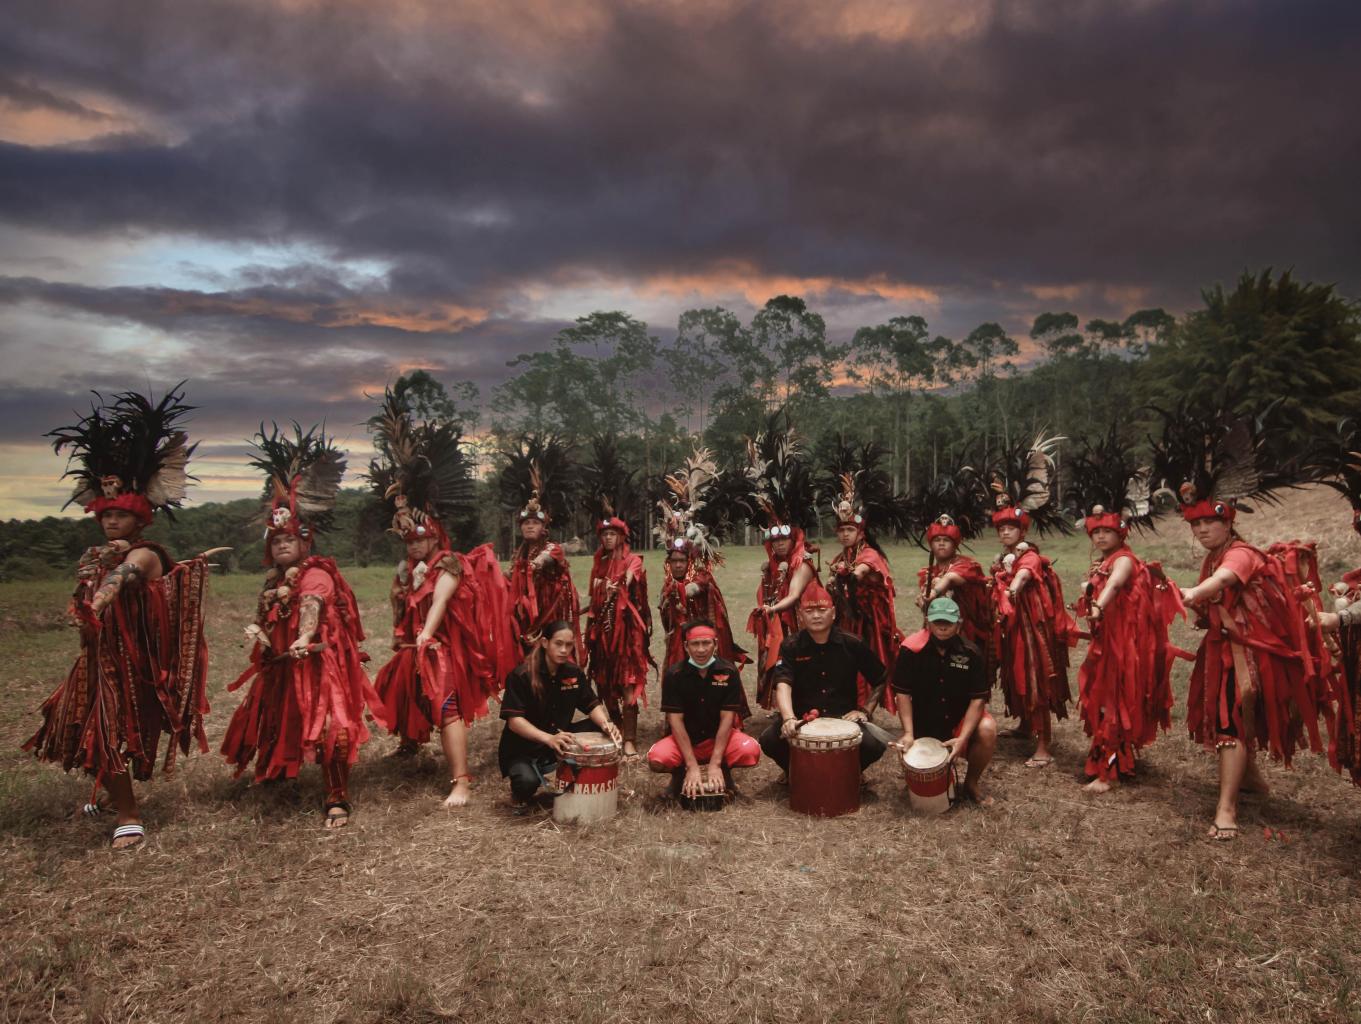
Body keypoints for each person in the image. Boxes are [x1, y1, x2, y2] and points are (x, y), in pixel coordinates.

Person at [26, 386, 212, 850]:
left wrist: (96, 604)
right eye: (105, 513)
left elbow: (121, 579)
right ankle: (114, 798)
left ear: (140, 519)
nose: (111, 521)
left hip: (131, 665)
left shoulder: (145, 555)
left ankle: (128, 814)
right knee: (82, 729)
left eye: (120, 515)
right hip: (97, 658)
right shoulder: (98, 555)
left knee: (107, 732)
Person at [221, 425, 384, 830]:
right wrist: (259, 632)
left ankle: (336, 796)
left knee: (330, 728)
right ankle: (277, 772)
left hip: (316, 665)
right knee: (276, 719)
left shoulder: (316, 573)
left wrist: (305, 635)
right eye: (275, 540)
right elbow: (265, 616)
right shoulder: (273, 580)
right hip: (280, 665)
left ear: (305, 542)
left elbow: (313, 603)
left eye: (289, 539)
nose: (281, 545)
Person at [366, 390, 518, 807]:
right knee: (402, 693)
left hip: (442, 649)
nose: (414, 546)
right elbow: (402, 605)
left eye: (420, 539)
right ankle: (410, 744)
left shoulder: (449, 563)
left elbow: (439, 603)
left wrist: (426, 635)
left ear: (435, 536)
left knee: (446, 705)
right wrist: (403, 633)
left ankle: (461, 781)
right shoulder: (407, 569)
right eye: (408, 541)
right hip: (414, 646)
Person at [1177, 499, 1325, 839]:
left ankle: (1226, 810)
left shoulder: (1240, 554)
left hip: (1248, 653)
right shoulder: (1213, 556)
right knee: (1236, 715)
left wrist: (1195, 592)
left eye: (1209, 523)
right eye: (1196, 524)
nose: (1202, 530)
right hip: (1226, 648)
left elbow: (1223, 580)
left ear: (1228, 524)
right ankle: (1251, 780)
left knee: (1230, 719)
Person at [1073, 506, 1180, 792]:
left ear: (1120, 534)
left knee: (1112, 701)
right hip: (1108, 642)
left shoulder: (1122, 560)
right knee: (1106, 701)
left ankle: (1108, 773)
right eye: (1096, 532)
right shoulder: (1107, 560)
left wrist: (1098, 606)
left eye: (1107, 531)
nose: (1100, 536)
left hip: (1122, 647)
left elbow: (1115, 583)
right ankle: (1115, 760)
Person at [758, 580, 891, 776]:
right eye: (809, 611)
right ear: (800, 615)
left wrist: (865, 711)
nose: (816, 615)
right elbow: (783, 683)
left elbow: (880, 678)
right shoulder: (790, 646)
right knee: (769, 740)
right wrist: (788, 718)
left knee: (874, 745)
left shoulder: (853, 644)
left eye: (822, 610)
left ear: (834, 613)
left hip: (843, 718)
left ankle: (851, 774)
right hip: (801, 718)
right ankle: (795, 772)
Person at [498, 621, 624, 807]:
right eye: (558, 643)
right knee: (526, 783)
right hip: (524, 749)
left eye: (569, 645)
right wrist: (549, 739)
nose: (564, 650)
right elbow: (515, 722)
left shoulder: (573, 672)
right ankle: (519, 792)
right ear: (545, 643)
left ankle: (585, 778)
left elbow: (591, 704)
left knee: (597, 726)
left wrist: (607, 724)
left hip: (559, 740)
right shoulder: (521, 675)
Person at [991, 502, 1074, 768]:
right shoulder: (1003, 557)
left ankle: (1043, 746)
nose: (1005, 532)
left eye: (1011, 528)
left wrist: (1012, 589)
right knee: (1017, 676)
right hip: (1013, 627)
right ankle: (1025, 726)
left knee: (1036, 679)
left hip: (1032, 629)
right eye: (1002, 528)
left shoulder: (1030, 556)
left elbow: (1023, 575)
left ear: (1023, 532)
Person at [893, 598, 996, 804]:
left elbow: (978, 700)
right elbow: (902, 694)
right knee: (923, 785)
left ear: (959, 624)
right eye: (937, 621)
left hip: (959, 722)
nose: (942, 626)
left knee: (988, 728)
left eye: (948, 622)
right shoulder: (910, 650)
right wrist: (908, 733)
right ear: (927, 622)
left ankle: (971, 784)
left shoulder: (971, 653)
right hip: (924, 724)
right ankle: (920, 775)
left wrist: (963, 738)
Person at [647, 621, 760, 798]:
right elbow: (675, 721)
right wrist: (692, 765)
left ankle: (723, 771)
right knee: (657, 758)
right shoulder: (674, 675)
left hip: (718, 739)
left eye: (706, 643)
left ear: (715, 644)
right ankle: (679, 775)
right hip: (686, 740)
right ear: (686, 646)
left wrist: (715, 763)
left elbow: (727, 719)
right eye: (695, 644)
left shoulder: (729, 671)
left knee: (750, 751)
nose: (701, 650)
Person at [584, 511, 652, 759]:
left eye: (612, 534)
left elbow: (630, 577)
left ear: (622, 536)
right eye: (604, 534)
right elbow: (594, 597)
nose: (608, 538)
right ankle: (619, 728)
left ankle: (630, 740)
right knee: (605, 683)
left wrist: (621, 583)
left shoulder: (633, 560)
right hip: (602, 634)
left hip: (627, 636)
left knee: (628, 682)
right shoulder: (599, 564)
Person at [506, 459, 582, 660]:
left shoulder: (552, 548)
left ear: (544, 528)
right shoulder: (518, 554)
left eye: (535, 523)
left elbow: (544, 559)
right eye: (526, 523)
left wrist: (535, 564)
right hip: (524, 618)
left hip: (549, 617)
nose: (530, 526)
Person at [915, 514, 992, 655]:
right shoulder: (927, 574)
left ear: (955, 545)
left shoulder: (967, 565)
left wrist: (933, 592)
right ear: (931, 545)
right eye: (937, 540)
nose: (941, 543)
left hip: (965, 632)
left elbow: (950, 577)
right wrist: (923, 603)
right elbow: (926, 608)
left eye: (946, 540)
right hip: (937, 631)